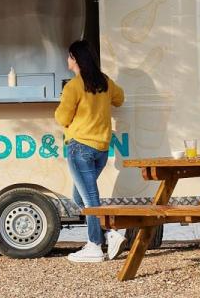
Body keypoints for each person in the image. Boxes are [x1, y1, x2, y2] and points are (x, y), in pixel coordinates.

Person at [54, 40, 127, 263]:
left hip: (80, 148)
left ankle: (95, 245)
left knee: (90, 199)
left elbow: (62, 118)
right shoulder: (105, 82)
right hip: (101, 150)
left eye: (69, 56)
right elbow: (120, 99)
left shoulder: (73, 86)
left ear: (75, 59)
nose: (67, 60)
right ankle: (109, 234)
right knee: (80, 197)